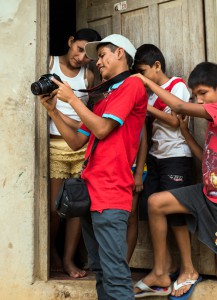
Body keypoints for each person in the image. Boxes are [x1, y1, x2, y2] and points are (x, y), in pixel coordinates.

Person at [39, 34, 148, 299]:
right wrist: (53, 110)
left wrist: (72, 100)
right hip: (92, 192)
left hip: (112, 193)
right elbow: (77, 141)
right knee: (100, 271)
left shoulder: (132, 86)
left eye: (102, 55)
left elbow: (101, 129)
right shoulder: (105, 95)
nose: (96, 63)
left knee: (116, 275)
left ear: (120, 53)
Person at [133, 62, 217, 300]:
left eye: (202, 93)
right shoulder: (215, 124)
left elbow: (177, 104)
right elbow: (206, 158)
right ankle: (161, 273)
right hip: (207, 196)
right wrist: (184, 131)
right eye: (195, 96)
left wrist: (145, 81)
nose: (199, 101)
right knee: (156, 203)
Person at [133, 44, 199, 298]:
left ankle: (190, 269)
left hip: (176, 158)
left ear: (157, 66)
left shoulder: (177, 86)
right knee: (154, 211)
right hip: (156, 159)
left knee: (175, 214)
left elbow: (175, 121)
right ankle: (166, 267)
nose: (142, 77)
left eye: (143, 71)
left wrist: (145, 107)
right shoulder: (150, 95)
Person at [48, 28, 101, 278]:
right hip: (54, 145)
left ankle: (69, 259)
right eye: (79, 49)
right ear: (70, 42)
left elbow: (88, 117)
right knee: (54, 208)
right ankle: (51, 252)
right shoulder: (49, 63)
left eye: (87, 55)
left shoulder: (88, 76)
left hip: (80, 146)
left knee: (77, 206)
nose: (81, 58)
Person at [127, 123, 148, 263]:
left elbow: (144, 142)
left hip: (134, 169)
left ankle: (125, 263)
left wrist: (139, 173)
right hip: (112, 169)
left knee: (131, 213)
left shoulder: (137, 109)